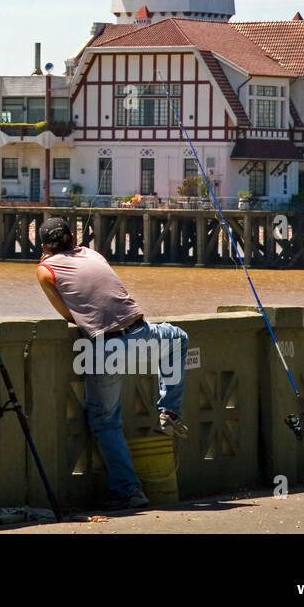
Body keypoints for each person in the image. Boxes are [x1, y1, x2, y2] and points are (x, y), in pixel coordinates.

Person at [34, 217, 189, 510]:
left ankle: (129, 491)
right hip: (142, 333)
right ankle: (169, 409)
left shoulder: (45, 270)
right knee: (178, 339)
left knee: (105, 420)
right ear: (72, 237)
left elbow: (69, 316)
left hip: (107, 349)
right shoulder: (92, 254)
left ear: (43, 246)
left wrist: (46, 261)